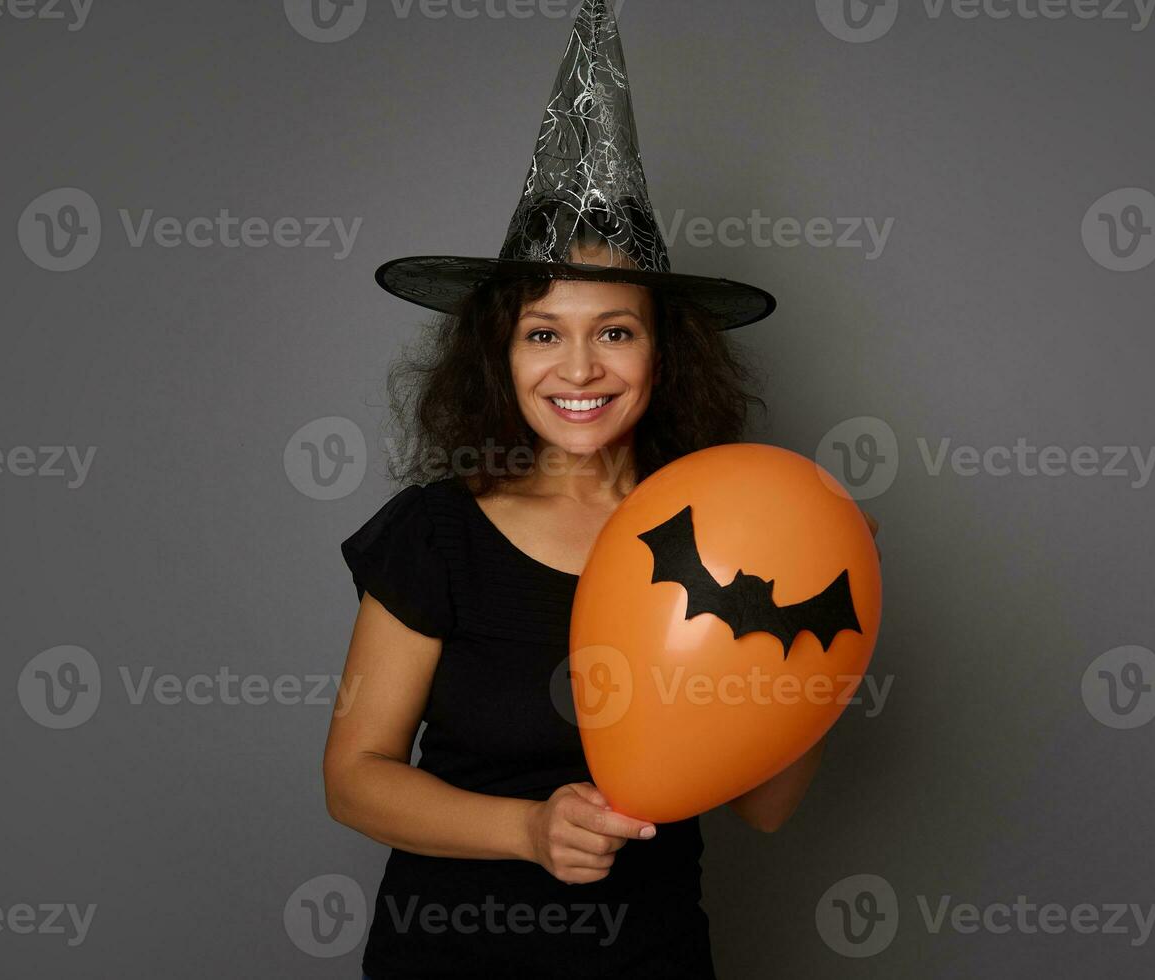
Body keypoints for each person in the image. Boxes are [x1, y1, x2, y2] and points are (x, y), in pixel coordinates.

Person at [322, 3, 875, 975]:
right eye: (543, 332)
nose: (579, 368)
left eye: (615, 330)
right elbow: (355, 780)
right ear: (501, 353)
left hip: (648, 953)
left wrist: (827, 637)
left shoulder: (733, 541)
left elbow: (768, 804)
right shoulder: (438, 534)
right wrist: (529, 828)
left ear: (666, 350)